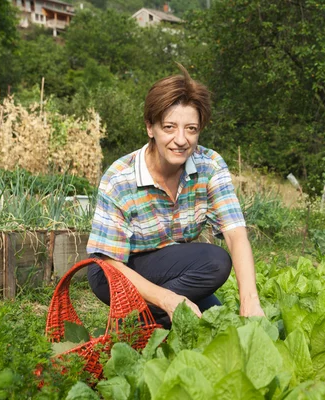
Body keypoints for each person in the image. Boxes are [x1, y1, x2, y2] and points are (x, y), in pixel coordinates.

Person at [86, 64, 265, 328]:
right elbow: (110, 263)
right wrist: (168, 300)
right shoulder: (120, 178)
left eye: (191, 129)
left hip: (170, 267)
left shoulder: (210, 166)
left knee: (214, 324)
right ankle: (148, 314)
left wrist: (250, 299)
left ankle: (141, 322)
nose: (181, 140)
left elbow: (235, 233)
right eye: (169, 127)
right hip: (115, 272)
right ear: (150, 127)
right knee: (214, 262)